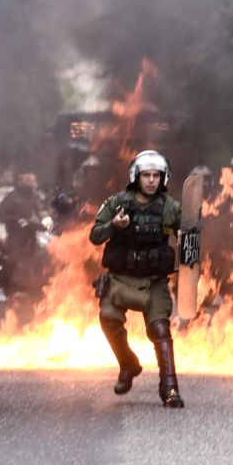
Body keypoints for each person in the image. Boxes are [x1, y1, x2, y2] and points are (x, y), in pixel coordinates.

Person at [89, 150, 185, 408]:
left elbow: (190, 239)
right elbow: (95, 236)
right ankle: (128, 364)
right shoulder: (116, 202)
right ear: (136, 177)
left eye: (156, 175)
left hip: (154, 281)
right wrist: (114, 226)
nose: (151, 180)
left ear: (163, 178)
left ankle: (170, 388)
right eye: (146, 175)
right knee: (108, 320)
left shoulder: (171, 208)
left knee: (160, 330)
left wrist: (191, 230)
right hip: (120, 279)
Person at [0, 171, 47, 294]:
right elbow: (1, 215)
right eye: (29, 181)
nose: (32, 184)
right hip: (16, 237)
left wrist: (46, 220)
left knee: (35, 261)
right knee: (14, 261)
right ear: (22, 182)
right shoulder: (12, 197)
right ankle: (7, 287)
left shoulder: (35, 197)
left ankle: (33, 289)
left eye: (33, 181)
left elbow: (41, 211)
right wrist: (16, 220)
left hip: (31, 235)